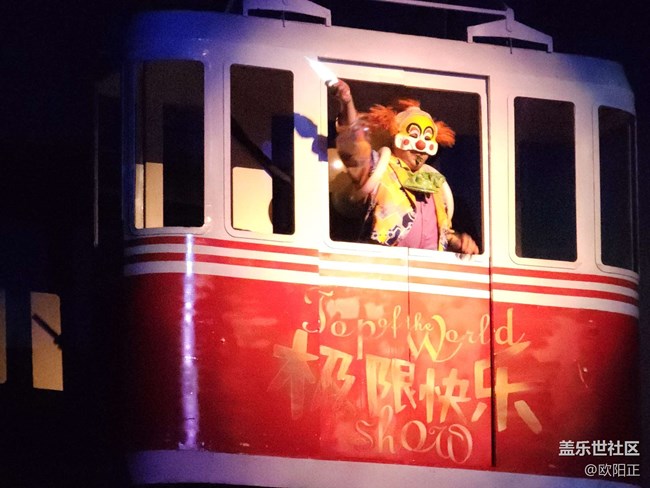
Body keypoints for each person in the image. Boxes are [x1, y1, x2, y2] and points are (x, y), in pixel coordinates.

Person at [330, 80, 479, 254]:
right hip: (385, 263)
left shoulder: (435, 183)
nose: (421, 145)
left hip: (428, 267)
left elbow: (443, 232)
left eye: (427, 138)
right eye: (414, 135)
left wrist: (458, 241)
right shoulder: (380, 168)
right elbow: (354, 144)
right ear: (396, 137)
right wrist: (347, 102)